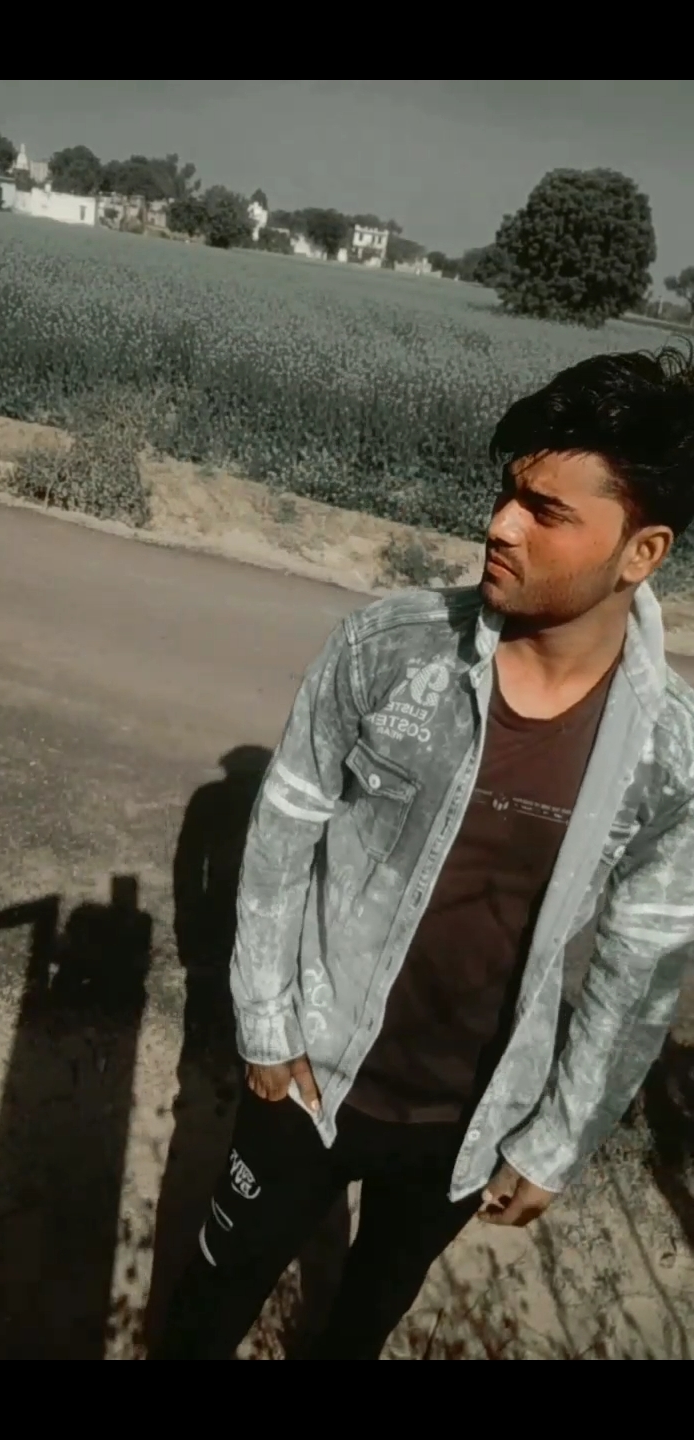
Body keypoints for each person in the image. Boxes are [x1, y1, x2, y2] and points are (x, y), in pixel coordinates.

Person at [154, 346, 694, 1361]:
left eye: (545, 510)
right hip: (309, 1081)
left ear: (642, 551)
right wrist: (265, 1028)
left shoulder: (670, 754)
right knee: (207, 1307)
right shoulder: (389, 648)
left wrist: (558, 1140)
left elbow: (641, 966)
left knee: (362, 1322)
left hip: (467, 1127)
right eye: (506, 493)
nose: (500, 525)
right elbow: (285, 826)